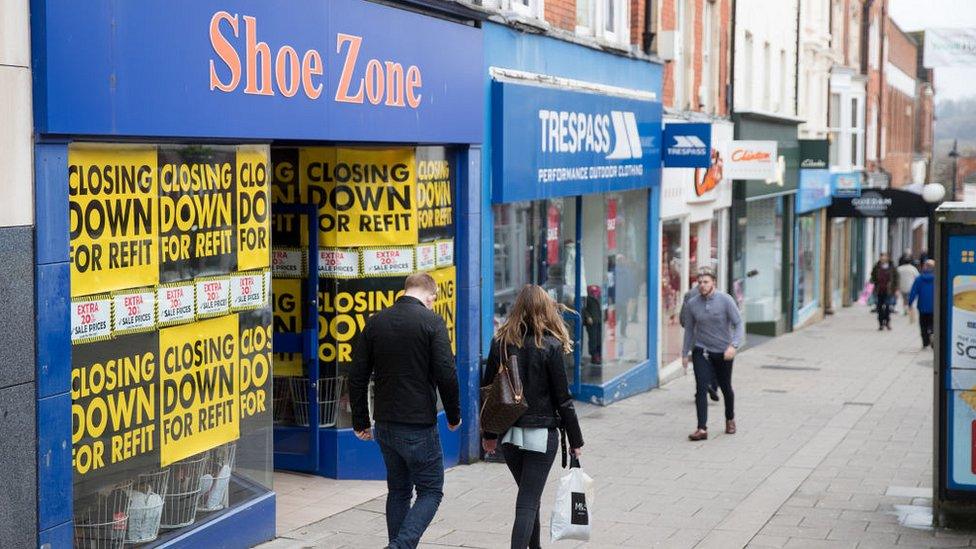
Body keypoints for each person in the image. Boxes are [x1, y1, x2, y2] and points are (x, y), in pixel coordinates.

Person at [349, 273, 461, 549]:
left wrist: (361, 421)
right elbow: (447, 373)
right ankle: (399, 546)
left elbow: (357, 375)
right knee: (431, 490)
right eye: (433, 301)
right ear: (430, 296)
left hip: (385, 423)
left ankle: (396, 545)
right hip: (418, 425)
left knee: (398, 491)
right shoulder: (432, 322)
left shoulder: (375, 322)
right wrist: (454, 415)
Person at [481, 285, 584, 549]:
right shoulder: (550, 345)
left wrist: (489, 435)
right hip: (541, 433)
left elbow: (489, 393)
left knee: (530, 495)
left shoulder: (500, 343)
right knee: (528, 499)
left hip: (509, 433)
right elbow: (563, 398)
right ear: (546, 310)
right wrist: (576, 439)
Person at [681, 268, 744, 441]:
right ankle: (702, 428)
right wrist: (685, 353)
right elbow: (688, 330)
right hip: (702, 350)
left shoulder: (725, 300)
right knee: (701, 387)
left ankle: (730, 418)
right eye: (699, 282)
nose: (702, 285)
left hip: (723, 352)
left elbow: (738, 324)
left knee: (725, 388)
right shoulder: (692, 303)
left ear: (713, 283)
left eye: (706, 282)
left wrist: (734, 346)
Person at [680, 277, 719, 403]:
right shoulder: (719, 296)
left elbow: (683, 319)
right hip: (713, 336)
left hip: (697, 338)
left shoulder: (689, 295)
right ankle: (711, 386)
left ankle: (701, 390)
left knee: (699, 365)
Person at [909, 260, 936, 348]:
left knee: (923, 325)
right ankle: (932, 334)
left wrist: (910, 303)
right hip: (934, 307)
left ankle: (925, 342)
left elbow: (913, 292)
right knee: (933, 324)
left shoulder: (919, 279)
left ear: (925, 267)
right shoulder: (937, 279)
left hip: (922, 306)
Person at [870, 253, 899, 330]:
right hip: (879, 290)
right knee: (879, 307)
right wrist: (874, 283)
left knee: (887, 307)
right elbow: (873, 276)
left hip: (888, 291)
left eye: (884, 257)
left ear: (887, 258)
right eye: (881, 257)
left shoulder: (892, 267)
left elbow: (896, 279)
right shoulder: (877, 267)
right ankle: (880, 324)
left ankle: (887, 322)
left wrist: (896, 289)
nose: (883, 259)